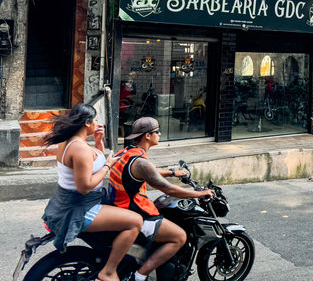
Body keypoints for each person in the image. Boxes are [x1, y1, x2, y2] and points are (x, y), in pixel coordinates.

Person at [42, 103, 143, 281]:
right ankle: (109, 272)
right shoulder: (79, 149)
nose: (97, 123)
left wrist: (98, 142)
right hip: (80, 206)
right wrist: (108, 166)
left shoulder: (71, 142)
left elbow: (93, 162)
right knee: (136, 222)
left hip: (71, 202)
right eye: (95, 120)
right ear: (87, 123)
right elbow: (85, 185)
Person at [107, 117, 213, 281]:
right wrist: (200, 193)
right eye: (157, 131)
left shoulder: (127, 152)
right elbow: (168, 188)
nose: (160, 134)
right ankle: (139, 276)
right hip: (136, 212)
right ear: (147, 136)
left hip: (120, 207)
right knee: (180, 237)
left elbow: (149, 171)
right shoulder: (141, 162)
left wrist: (172, 172)